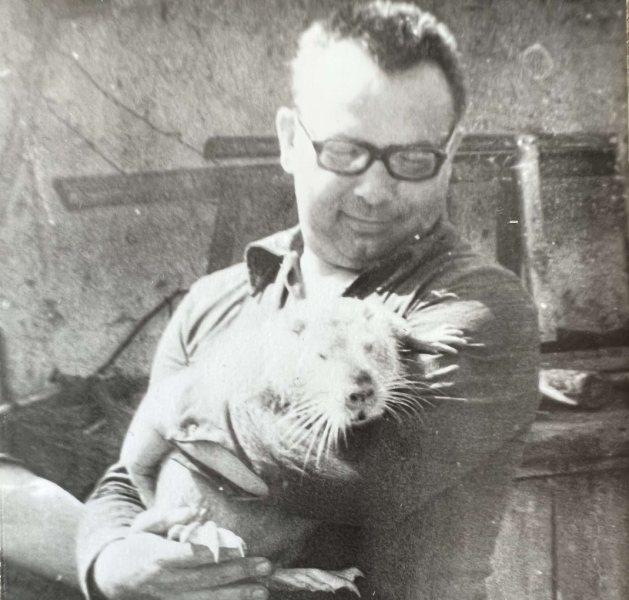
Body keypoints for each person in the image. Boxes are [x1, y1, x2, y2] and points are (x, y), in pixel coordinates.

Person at [77, 2, 540, 599]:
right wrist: (113, 561)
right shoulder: (212, 302)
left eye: (412, 158)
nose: (375, 191)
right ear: (291, 140)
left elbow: (356, 473)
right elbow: (125, 479)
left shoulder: (480, 306)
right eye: (345, 151)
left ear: (449, 156)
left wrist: (182, 401)